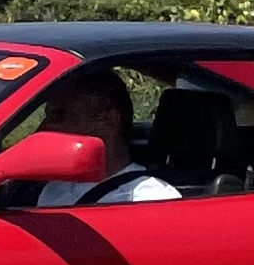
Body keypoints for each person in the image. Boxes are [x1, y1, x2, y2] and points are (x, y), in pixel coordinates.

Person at [32, 67, 179, 205]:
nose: (44, 128)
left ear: (108, 121)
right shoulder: (53, 189)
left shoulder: (152, 200)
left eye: (59, 116)